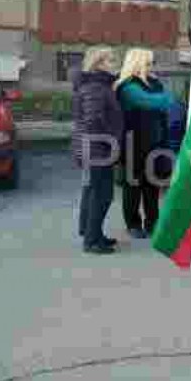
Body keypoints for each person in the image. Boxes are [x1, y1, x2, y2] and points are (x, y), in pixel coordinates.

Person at [115, 49, 173, 239]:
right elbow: (152, 103)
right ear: (137, 63)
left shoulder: (154, 82)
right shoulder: (127, 86)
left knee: (152, 187)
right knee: (133, 186)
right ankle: (133, 223)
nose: (151, 66)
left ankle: (152, 222)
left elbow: (164, 106)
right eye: (148, 63)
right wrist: (164, 99)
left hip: (155, 141)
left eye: (151, 63)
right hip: (133, 143)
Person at [72, 47, 123, 254]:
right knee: (101, 195)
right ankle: (92, 241)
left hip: (93, 147)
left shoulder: (96, 84)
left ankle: (93, 233)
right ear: (100, 63)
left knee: (95, 192)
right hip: (97, 148)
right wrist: (111, 139)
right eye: (111, 60)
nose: (115, 63)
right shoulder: (95, 86)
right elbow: (93, 120)